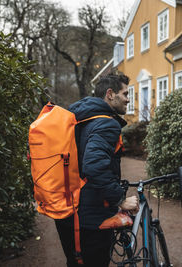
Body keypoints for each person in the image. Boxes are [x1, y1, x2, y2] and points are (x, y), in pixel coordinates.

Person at [55, 73, 139, 267]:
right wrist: (119, 199)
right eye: (125, 93)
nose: (128, 99)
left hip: (68, 211)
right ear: (110, 94)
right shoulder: (106, 123)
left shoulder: (80, 118)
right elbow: (93, 165)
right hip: (90, 219)